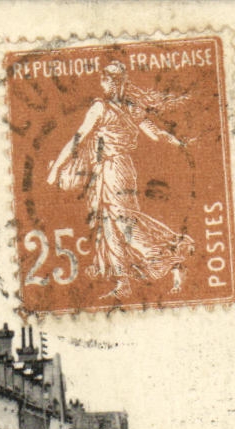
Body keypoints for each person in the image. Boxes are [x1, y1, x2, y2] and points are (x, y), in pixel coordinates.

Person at [45, 61, 196, 299]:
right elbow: (155, 134)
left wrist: (56, 169)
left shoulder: (101, 108)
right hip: (119, 169)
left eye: (105, 80)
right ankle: (123, 280)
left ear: (110, 82)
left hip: (113, 169)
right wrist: (181, 143)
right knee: (109, 224)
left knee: (122, 223)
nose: (103, 84)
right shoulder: (132, 109)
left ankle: (169, 255)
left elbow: (78, 138)